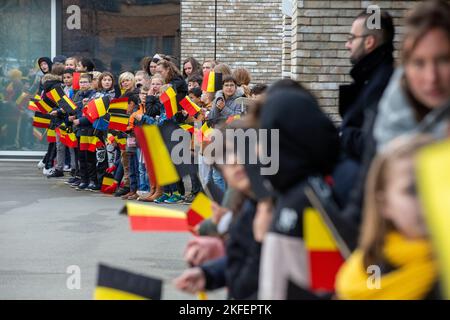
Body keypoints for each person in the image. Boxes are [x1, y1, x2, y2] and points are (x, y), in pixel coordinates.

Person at [258, 83, 340, 300]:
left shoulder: (311, 198)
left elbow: (325, 282)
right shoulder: (288, 192)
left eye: (266, 137)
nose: (259, 149)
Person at [335, 136, 440, 300]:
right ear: (384, 204)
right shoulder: (371, 267)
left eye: (438, 184)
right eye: (413, 190)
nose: (428, 198)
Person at [374, 0, 450, 150]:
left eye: (444, 60)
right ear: (405, 68)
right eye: (419, 63)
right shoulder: (389, 119)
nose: (431, 77)